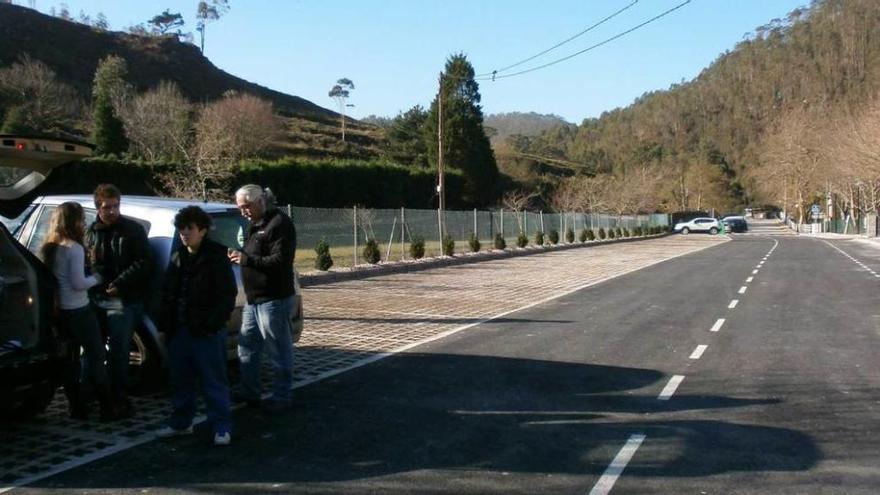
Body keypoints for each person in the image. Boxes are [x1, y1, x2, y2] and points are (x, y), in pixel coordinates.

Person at [156, 206, 237, 446]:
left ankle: (221, 425)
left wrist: (213, 323)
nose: (184, 233)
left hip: (206, 331)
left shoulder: (216, 256)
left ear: (202, 230)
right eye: (181, 228)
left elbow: (227, 295)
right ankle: (181, 422)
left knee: (213, 380)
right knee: (180, 379)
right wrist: (165, 325)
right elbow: (168, 293)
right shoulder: (177, 256)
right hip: (179, 330)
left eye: (189, 228)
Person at [39, 202, 123, 421]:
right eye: (81, 219)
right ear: (72, 221)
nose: (84, 223)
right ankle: (107, 408)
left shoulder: (51, 246)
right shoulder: (73, 248)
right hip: (79, 309)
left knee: (70, 360)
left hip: (62, 312)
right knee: (96, 355)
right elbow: (78, 283)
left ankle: (76, 408)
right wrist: (97, 277)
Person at [228, 184, 297, 411]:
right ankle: (250, 392)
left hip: (274, 300)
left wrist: (246, 260)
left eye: (246, 206)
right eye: (240, 208)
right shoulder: (254, 225)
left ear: (259, 201)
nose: (243, 212)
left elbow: (280, 261)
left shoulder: (279, 224)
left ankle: (282, 398)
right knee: (247, 347)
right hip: (253, 300)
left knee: (279, 351)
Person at [85, 184, 150, 417]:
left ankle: (118, 397)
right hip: (96, 298)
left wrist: (120, 284)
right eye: (107, 207)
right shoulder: (91, 231)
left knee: (119, 351)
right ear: (98, 208)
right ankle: (92, 396)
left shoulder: (132, 230)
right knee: (93, 350)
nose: (112, 211)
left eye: (115, 206)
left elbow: (143, 262)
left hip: (124, 299)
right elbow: (87, 262)